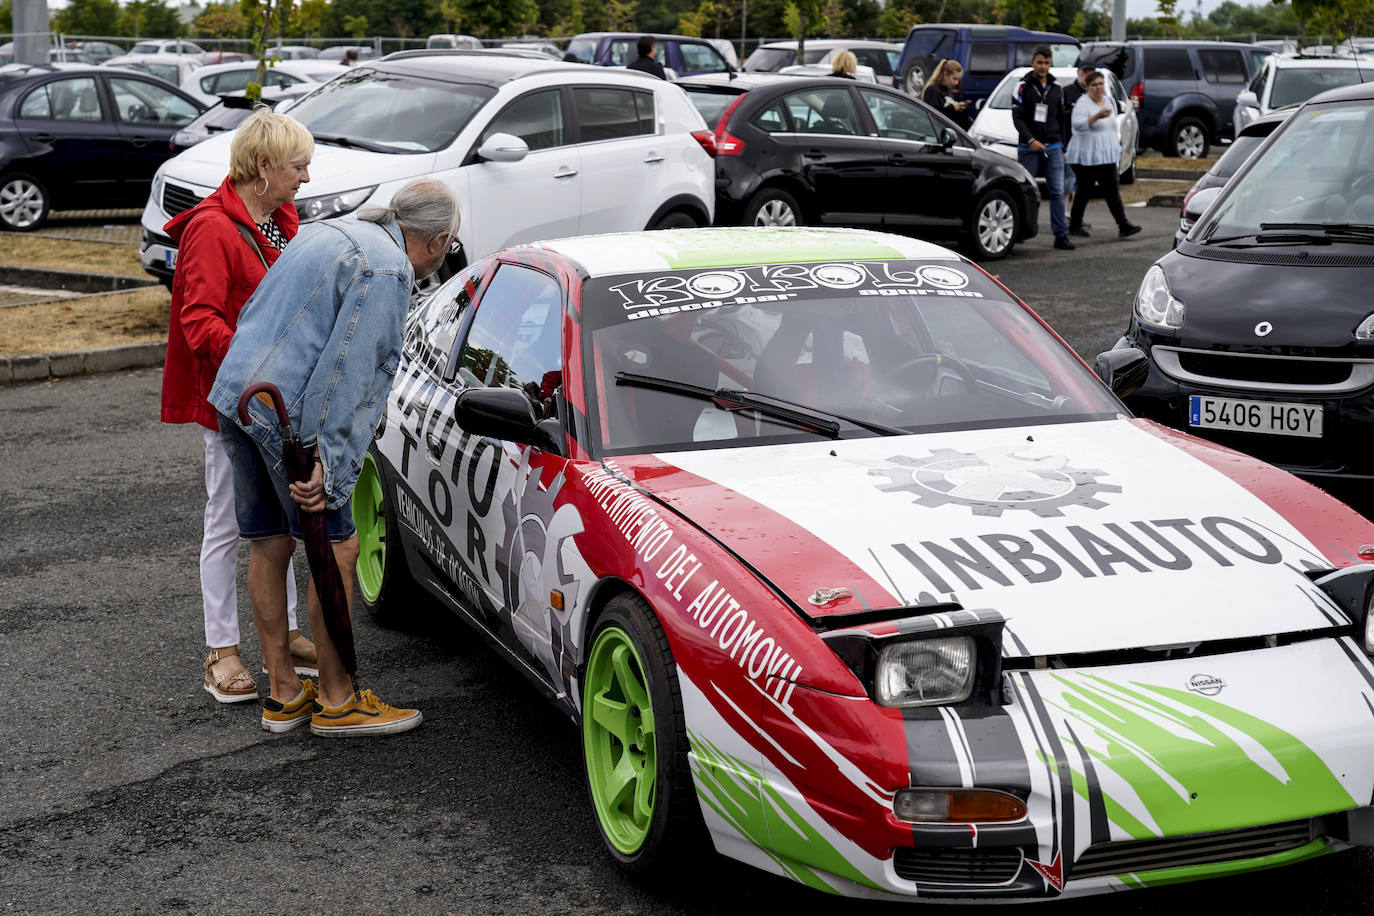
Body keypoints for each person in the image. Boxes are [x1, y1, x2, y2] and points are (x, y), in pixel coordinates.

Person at [208, 178, 459, 736]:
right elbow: (351, 373)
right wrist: (332, 462)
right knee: (340, 549)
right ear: (438, 239)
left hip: (240, 395)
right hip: (289, 419)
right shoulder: (388, 269)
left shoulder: (333, 230)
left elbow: (259, 311)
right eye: (450, 246)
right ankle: (339, 700)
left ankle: (283, 695)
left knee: (269, 543)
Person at [160, 107, 316, 704]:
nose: (305, 177)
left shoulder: (278, 217)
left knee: (278, 520)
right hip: (232, 399)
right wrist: (263, 365)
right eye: (298, 166)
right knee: (228, 521)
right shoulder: (212, 228)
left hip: (269, 398)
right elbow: (199, 321)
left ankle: (289, 635)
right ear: (263, 165)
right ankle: (220, 652)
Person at [1067, 71, 1142, 240]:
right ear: (1087, 87)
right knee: (1084, 190)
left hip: (1105, 154)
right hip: (1086, 156)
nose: (1098, 88)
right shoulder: (1082, 103)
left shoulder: (1108, 101)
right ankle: (1075, 226)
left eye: (1101, 84)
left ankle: (1123, 226)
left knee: (1111, 190)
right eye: (1094, 85)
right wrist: (1096, 117)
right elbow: (1077, 125)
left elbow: (1112, 123)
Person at [1012, 46, 1073, 250]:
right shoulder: (1022, 86)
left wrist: (1063, 148)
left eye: (1046, 63)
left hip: (1053, 147)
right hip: (1029, 148)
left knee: (1057, 192)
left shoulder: (1057, 88)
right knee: (1026, 192)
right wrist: (1030, 139)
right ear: (1032, 63)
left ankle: (1061, 236)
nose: (1043, 66)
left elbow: (1062, 119)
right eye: (1039, 62)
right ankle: (1019, 233)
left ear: (1050, 63)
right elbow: (1017, 118)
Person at [1061, 59, 1098, 212]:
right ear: (1078, 73)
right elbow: (1061, 121)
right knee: (1069, 180)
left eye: (1091, 73)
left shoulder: (1096, 94)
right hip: (1071, 144)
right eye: (1085, 72)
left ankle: (1076, 214)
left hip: (1089, 145)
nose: (1087, 76)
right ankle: (1064, 212)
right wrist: (1063, 147)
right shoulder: (1066, 92)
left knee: (1084, 183)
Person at [921, 59, 972, 130]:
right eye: (954, 79)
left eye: (958, 80)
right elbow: (933, 115)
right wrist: (953, 108)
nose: (957, 83)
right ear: (945, 75)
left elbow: (950, 116)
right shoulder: (933, 90)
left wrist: (959, 110)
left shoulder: (947, 91)